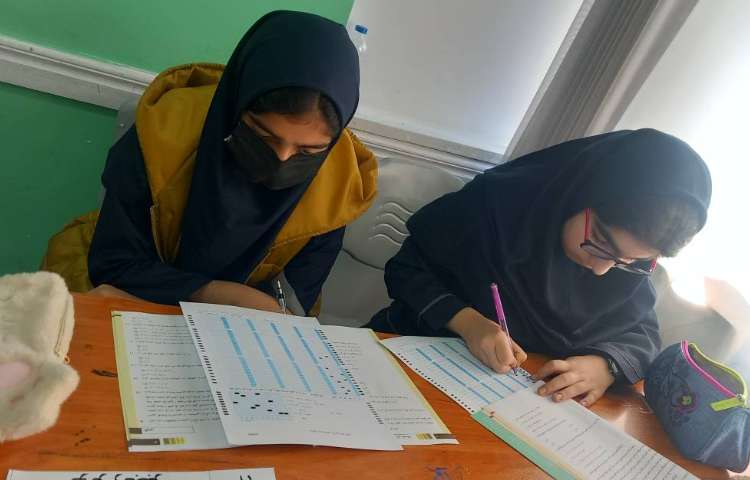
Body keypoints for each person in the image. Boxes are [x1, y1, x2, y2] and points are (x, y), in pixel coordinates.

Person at [42, 11, 376, 316]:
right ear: (237, 104)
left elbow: (294, 299)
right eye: (264, 135)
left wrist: (253, 308)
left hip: (236, 330)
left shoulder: (339, 185)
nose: (283, 159)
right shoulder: (162, 134)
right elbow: (113, 262)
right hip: (124, 297)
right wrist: (218, 294)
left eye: (309, 150)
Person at [368, 129, 711, 406]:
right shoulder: (495, 205)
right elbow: (406, 269)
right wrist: (467, 322)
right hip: (408, 364)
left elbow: (641, 333)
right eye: (601, 242)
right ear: (581, 192)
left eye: (631, 262)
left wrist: (603, 366)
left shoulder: (623, 268)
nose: (602, 270)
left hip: (511, 403)